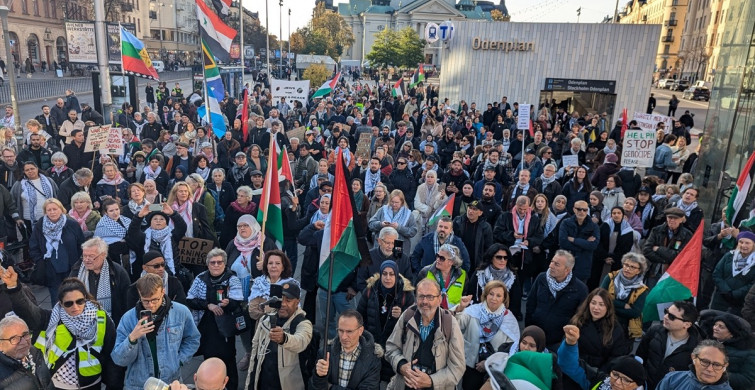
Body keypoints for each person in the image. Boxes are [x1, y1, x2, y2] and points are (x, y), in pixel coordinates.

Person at [1, 270, 121, 390]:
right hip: (59, 386)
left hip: (92, 384)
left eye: (79, 301)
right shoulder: (52, 319)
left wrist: (113, 385)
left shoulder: (101, 319)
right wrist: (13, 288)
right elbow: (28, 312)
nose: (75, 307)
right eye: (69, 303)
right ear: (61, 304)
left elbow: (112, 355)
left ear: (85, 298)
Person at [112, 273, 201, 390]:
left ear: (163, 292)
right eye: (145, 301)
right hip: (138, 385)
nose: (151, 305)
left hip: (170, 382)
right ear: (139, 295)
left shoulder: (181, 312)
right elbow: (118, 359)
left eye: (155, 300)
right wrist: (133, 337)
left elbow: (193, 339)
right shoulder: (128, 318)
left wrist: (178, 360)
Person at [384, 278, 466, 390]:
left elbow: (457, 367)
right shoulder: (407, 316)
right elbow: (391, 348)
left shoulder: (450, 323)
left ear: (439, 299)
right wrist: (401, 365)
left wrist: (431, 381)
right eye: (421, 296)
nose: (425, 302)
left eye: (430, 297)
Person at [186, 249, 243, 390]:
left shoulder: (232, 279)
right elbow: (190, 299)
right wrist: (208, 305)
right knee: (209, 358)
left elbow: (238, 301)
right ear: (208, 264)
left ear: (224, 263)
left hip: (225, 327)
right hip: (207, 327)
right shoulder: (200, 278)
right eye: (213, 262)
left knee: (229, 359)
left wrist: (228, 303)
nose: (216, 265)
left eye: (219, 262)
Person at [356, 259, 416, 383]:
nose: (387, 277)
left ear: (397, 274)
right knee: (370, 378)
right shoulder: (370, 290)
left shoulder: (406, 295)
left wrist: (402, 315)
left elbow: (414, 323)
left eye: (391, 274)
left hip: (394, 346)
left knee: (389, 380)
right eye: (385, 273)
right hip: (372, 344)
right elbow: (359, 317)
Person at [246, 282, 313, 390]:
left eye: (288, 300)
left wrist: (284, 339)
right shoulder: (265, 320)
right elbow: (254, 357)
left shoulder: (303, 323)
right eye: (280, 299)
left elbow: (300, 341)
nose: (283, 303)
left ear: (297, 302)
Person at [456, 280, 520, 389]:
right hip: (471, 365)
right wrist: (460, 308)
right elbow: (456, 325)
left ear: (504, 299)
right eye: (491, 294)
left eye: (498, 295)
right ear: (485, 295)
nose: (494, 298)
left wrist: (489, 362)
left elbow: (511, 348)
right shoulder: (474, 310)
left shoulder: (508, 318)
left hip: (494, 369)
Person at [525, 250, 588, 350]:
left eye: (556, 264)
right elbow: (530, 304)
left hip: (558, 342)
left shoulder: (580, 289)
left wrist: (566, 339)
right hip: (535, 336)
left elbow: (579, 318)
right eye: (552, 262)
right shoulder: (541, 278)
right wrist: (529, 330)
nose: (551, 266)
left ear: (567, 270)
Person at [558, 324, 647, 390]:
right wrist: (570, 343)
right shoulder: (599, 380)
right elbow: (570, 365)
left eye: (626, 380)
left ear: (637, 385)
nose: (617, 382)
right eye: (615, 374)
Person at [636, 300, 701, 390]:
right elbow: (640, 357)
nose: (665, 317)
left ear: (686, 324)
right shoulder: (654, 331)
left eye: (672, 317)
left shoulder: (697, 348)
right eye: (666, 312)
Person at [28, 198, 84, 299]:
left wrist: (79, 263)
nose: (52, 212)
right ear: (45, 212)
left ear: (61, 209)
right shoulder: (39, 226)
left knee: (73, 295)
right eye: (49, 210)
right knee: (56, 297)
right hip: (50, 268)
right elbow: (33, 246)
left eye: (55, 209)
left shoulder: (72, 224)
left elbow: (81, 244)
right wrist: (40, 261)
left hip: (71, 267)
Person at [311, 310, 382, 390]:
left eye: (349, 331)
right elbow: (316, 386)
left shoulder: (373, 359)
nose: (344, 337)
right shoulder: (325, 352)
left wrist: (330, 387)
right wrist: (319, 376)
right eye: (340, 331)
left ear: (360, 331)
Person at [69, 236, 131, 325]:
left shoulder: (118, 272)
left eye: (91, 256)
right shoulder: (77, 271)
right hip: (82, 322)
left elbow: (126, 302)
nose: (86, 260)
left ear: (103, 255)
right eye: (84, 256)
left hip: (112, 323)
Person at [125, 203, 187, 276]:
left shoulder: (172, 235)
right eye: (155, 219)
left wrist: (172, 213)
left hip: (171, 275)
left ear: (166, 223)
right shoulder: (144, 237)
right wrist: (139, 216)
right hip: (149, 276)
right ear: (150, 223)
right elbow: (133, 232)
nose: (158, 221)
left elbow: (182, 227)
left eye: (162, 219)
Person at [698, 312, 755, 390]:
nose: (715, 328)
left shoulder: (748, 353)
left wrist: (718, 373)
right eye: (715, 325)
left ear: (731, 333)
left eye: (721, 327)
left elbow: (748, 380)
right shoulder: (705, 344)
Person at [600, 253, 649, 339]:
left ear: (639, 271)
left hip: (625, 328)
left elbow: (635, 313)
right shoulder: (610, 278)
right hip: (603, 320)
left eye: (632, 267)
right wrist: (623, 305)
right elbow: (601, 297)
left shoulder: (642, 289)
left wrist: (609, 306)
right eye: (626, 265)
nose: (627, 269)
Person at [642, 207, 693, 287]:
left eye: (675, 218)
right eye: (670, 217)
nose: (672, 220)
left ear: (681, 219)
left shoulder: (687, 235)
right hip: (654, 271)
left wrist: (659, 249)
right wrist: (664, 260)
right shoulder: (656, 230)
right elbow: (646, 250)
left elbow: (680, 256)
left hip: (673, 273)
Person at [589, 207, 636, 290]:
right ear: (611, 215)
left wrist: (614, 258)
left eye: (619, 213)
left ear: (623, 215)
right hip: (601, 260)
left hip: (616, 261)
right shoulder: (605, 225)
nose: (616, 215)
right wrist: (605, 257)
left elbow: (626, 248)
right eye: (614, 213)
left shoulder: (627, 229)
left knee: (612, 284)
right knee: (595, 282)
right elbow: (598, 242)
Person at [655, 340, 733, 390]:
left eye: (716, 365)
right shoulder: (672, 379)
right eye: (705, 362)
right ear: (694, 358)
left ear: (725, 366)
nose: (710, 369)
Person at [415, 243, 471, 312]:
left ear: (451, 262)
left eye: (442, 258)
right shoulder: (425, 272)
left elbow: (464, 295)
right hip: (430, 312)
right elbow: (416, 294)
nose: (437, 260)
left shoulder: (463, 275)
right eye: (437, 256)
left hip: (454, 314)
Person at [711, 231, 755, 316]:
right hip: (721, 298)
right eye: (741, 242)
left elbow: (752, 284)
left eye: (747, 243)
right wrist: (726, 290)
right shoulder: (729, 256)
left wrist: (735, 294)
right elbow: (717, 274)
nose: (743, 245)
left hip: (740, 302)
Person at [0, 316, 51, 390]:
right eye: (14, 339)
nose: (24, 342)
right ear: (1, 345)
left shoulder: (36, 353)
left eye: (25, 334)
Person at [356, 227, 414, 291]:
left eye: (393, 243)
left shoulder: (404, 259)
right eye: (387, 243)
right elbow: (361, 282)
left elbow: (409, 283)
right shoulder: (367, 256)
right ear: (379, 241)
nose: (390, 246)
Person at [558, 200, 600, 282]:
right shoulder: (566, 223)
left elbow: (593, 245)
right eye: (579, 209)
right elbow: (563, 242)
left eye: (584, 210)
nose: (582, 212)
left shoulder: (594, 226)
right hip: (566, 262)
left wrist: (574, 240)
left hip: (583, 264)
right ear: (574, 209)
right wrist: (584, 244)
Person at [11, 161, 58, 229]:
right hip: (28, 219)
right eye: (27, 170)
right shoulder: (19, 184)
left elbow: (57, 195)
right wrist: (17, 217)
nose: (30, 171)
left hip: (49, 217)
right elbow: (12, 200)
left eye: (32, 168)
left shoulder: (49, 181)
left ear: (37, 168)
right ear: (24, 172)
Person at [453, 200, 494, 273]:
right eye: (470, 208)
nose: (471, 211)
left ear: (480, 213)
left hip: (475, 262)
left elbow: (488, 248)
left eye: (474, 209)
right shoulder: (457, 221)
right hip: (458, 260)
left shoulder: (485, 227)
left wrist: (482, 263)